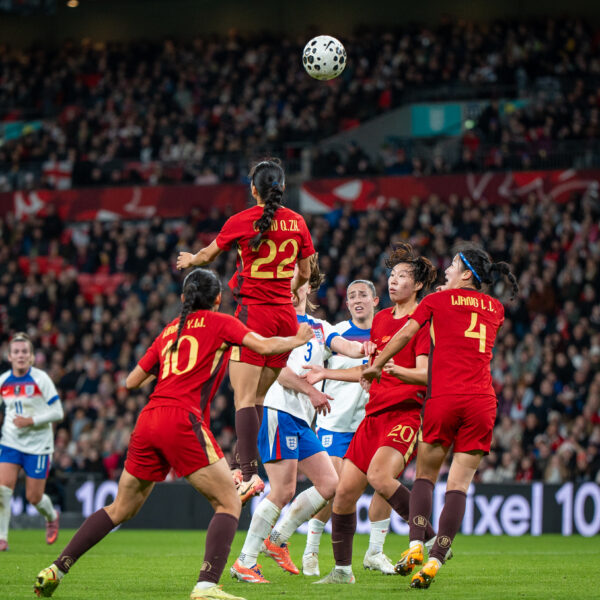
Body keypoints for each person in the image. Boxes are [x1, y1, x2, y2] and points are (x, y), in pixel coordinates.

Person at [34, 268, 313, 600]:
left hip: (148, 419)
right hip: (181, 419)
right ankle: (207, 585)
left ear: (183, 299)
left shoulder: (169, 331)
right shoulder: (221, 322)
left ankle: (57, 568)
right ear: (218, 298)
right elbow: (264, 346)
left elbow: (131, 382)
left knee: (120, 508)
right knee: (227, 503)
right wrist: (295, 340)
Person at [362, 244, 518, 589]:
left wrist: (376, 366)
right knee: (459, 486)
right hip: (481, 401)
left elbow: (405, 334)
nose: (446, 270)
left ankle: (417, 543)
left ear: (466, 275)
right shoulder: (496, 308)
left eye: (453, 265)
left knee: (425, 477)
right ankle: (435, 560)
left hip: (444, 397)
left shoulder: (435, 301)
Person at [177, 159, 315, 503]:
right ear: (280, 188)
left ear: (253, 189)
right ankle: (244, 469)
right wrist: (290, 288)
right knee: (256, 399)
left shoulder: (241, 221)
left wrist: (189, 259)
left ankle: (250, 474)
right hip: (285, 316)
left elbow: (208, 255)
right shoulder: (297, 222)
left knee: (243, 397)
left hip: (254, 314)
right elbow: (307, 271)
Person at [230, 257, 375, 583]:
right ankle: (245, 560)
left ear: (310, 287)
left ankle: (277, 539)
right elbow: (278, 372)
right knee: (282, 491)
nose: (293, 289)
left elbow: (348, 348)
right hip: (279, 411)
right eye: (287, 284)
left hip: (302, 420)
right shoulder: (276, 326)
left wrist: (369, 347)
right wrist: (311, 391)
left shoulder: (319, 327)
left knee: (330, 485)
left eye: (299, 283)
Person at [309, 243, 438, 584]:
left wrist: (393, 370)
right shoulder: (380, 320)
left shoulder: (422, 322)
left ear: (418, 285)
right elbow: (368, 370)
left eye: (402, 277)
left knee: (380, 478)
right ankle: (342, 572)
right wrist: (326, 374)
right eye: (392, 276)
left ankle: (433, 537)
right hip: (372, 417)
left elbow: (426, 374)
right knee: (344, 493)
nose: (393, 282)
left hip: (403, 414)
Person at [301, 279, 397, 577]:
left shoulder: (387, 335)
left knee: (385, 483)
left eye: (363, 295)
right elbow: (311, 369)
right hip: (335, 422)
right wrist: (313, 396)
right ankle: (311, 550)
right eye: (352, 296)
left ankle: (376, 552)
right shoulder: (336, 333)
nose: (357, 300)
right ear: (347, 305)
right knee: (335, 489)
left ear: (375, 300)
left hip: (372, 422)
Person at [0, 332, 63, 552]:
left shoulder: (41, 379)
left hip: (38, 445)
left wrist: (31, 420)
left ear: (32, 357)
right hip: (10, 442)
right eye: (16, 352)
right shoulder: (3, 381)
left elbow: (58, 412)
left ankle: (51, 515)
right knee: (2, 489)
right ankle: (2, 538)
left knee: (34, 497)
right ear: (9, 356)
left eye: (24, 351)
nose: (20, 355)